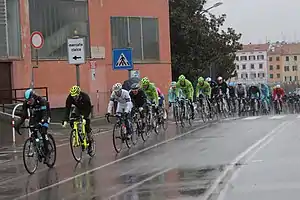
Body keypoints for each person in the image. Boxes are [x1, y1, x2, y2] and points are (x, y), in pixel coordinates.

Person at [15, 89, 51, 163]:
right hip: (35, 116)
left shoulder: (42, 101)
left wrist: (41, 123)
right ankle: (37, 148)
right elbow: (24, 115)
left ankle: (47, 152)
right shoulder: (27, 102)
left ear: (33, 97)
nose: (29, 102)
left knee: (43, 131)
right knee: (33, 131)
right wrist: (18, 124)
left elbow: (45, 115)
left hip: (45, 115)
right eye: (27, 101)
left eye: (30, 100)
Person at [62, 85, 93, 152]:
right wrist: (65, 119)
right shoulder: (70, 97)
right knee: (72, 120)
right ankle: (77, 134)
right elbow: (67, 108)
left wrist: (85, 117)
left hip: (86, 109)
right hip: (78, 109)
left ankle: (90, 143)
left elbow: (89, 109)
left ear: (79, 94)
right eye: (73, 96)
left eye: (75, 96)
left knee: (86, 125)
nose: (74, 97)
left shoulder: (85, 97)